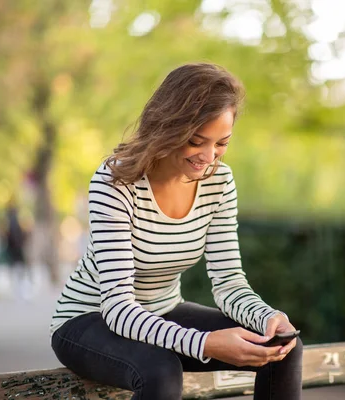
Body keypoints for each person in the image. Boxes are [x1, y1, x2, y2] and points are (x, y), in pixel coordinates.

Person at [49, 63, 303, 400]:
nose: (208, 157)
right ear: (167, 127)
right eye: (197, 141)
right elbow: (118, 308)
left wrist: (268, 317)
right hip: (90, 319)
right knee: (161, 369)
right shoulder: (115, 182)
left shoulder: (220, 182)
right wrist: (205, 343)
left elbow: (229, 282)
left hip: (163, 309)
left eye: (221, 144)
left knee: (282, 348)